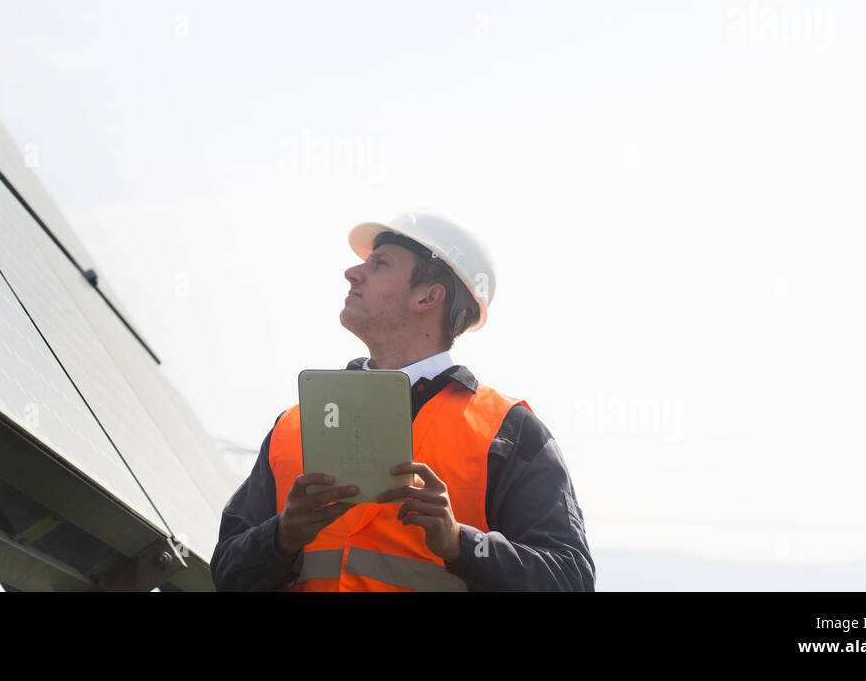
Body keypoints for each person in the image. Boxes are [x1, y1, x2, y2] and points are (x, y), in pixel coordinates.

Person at [210, 210, 595, 591]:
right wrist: (280, 536)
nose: (352, 273)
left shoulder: (508, 432)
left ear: (429, 296)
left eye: (380, 264)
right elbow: (226, 572)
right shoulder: (293, 426)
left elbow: (570, 579)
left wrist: (459, 542)